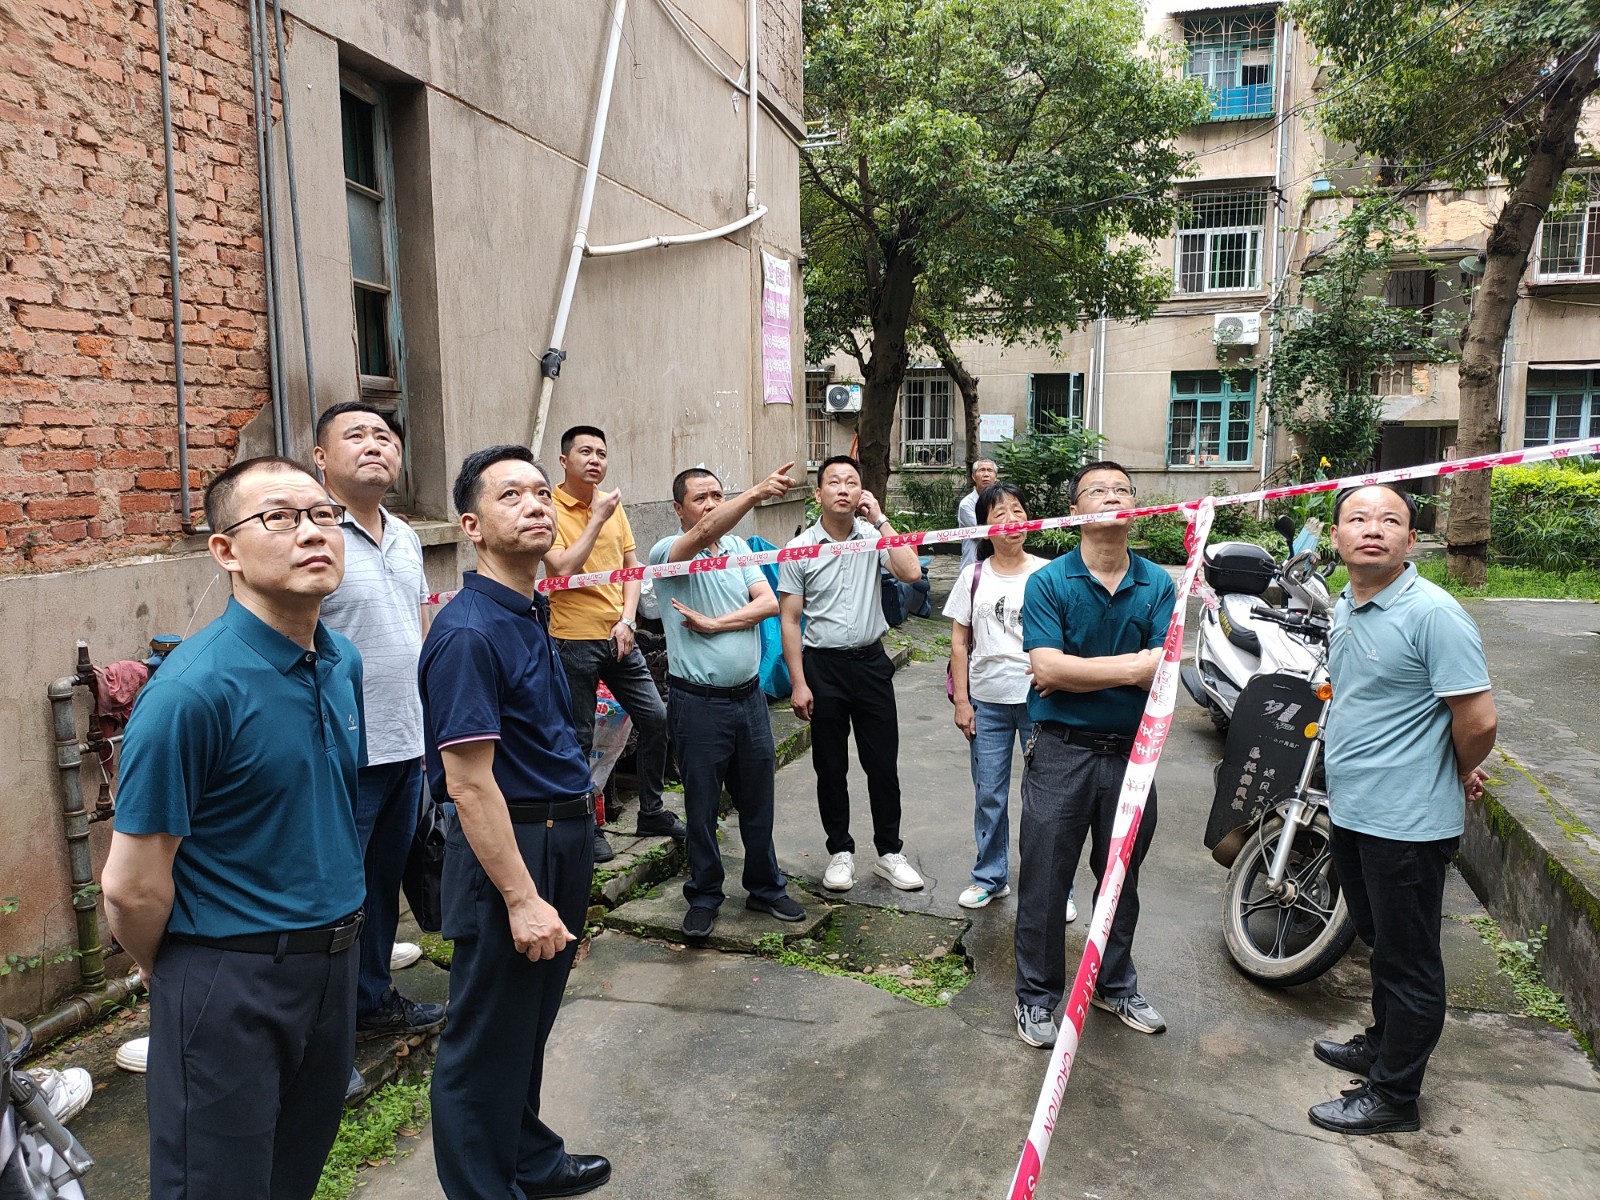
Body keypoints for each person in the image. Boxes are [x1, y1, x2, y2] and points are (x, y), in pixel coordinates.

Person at [103, 456, 366, 1200]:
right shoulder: (190, 694)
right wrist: (179, 971)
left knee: (293, 1175)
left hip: (333, 966)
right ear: (225, 551)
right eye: (280, 517)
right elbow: (130, 886)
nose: (312, 533)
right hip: (230, 977)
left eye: (324, 516)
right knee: (215, 1186)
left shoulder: (340, 662)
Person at [419, 446, 610, 1199]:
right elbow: (468, 786)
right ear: (471, 526)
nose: (533, 504)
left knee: (526, 1026)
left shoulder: (530, 608)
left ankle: (529, 1160)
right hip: (512, 844)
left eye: (538, 492)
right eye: (509, 495)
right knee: (484, 1039)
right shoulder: (469, 632)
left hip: (560, 834)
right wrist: (522, 897)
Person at [1307, 483, 1497, 1135]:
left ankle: (1394, 1096)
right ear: (1336, 536)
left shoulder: (1434, 613)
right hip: (1354, 807)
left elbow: (1478, 718)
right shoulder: (1346, 603)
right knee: (1380, 941)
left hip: (1408, 821)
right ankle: (1382, 1044)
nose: (1373, 528)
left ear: (1411, 540)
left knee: (1409, 958)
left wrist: (1459, 765)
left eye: (1390, 520)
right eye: (1358, 518)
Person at [1012, 460, 1175, 1048]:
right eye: (1097, 491)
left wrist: (1078, 672)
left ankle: (1114, 985)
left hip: (1134, 755)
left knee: (1120, 878)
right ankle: (1036, 998)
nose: (1111, 497)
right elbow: (1048, 668)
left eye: (1121, 490)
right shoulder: (1048, 582)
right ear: (1075, 511)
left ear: (1136, 506)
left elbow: (1163, 671)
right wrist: (1133, 668)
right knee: (1045, 878)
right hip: (1062, 751)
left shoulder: (1158, 584)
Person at [312, 401, 446, 1096]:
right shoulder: (311, 534)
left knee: (381, 886)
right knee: (332, 903)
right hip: (342, 753)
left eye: (385, 436)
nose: (375, 445)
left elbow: (414, 633)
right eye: (355, 435)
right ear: (320, 458)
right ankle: (320, 1047)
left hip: (405, 744)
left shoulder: (407, 536)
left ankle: (370, 1001)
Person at [649, 462, 807, 941]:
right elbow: (702, 534)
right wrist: (755, 494)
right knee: (701, 806)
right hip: (698, 704)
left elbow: (768, 604)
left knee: (758, 799)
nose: (711, 505)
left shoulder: (738, 550)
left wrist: (715, 624)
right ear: (678, 509)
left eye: (718, 495)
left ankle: (765, 886)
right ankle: (704, 895)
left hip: (749, 700)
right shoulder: (667, 552)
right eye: (700, 498)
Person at [778, 455, 927, 893]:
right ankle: (840, 851)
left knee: (882, 763)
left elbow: (911, 572)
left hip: (871, 664)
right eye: (834, 482)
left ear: (861, 492)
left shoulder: (873, 538)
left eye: (851, 482)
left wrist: (880, 519)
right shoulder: (800, 548)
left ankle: (889, 852)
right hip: (822, 667)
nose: (843, 489)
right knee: (830, 766)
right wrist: (799, 682)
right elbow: (790, 619)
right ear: (818, 493)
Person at [543, 425, 685, 862]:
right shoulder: (548, 509)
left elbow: (631, 569)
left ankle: (652, 810)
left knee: (656, 718)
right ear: (564, 461)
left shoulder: (611, 506)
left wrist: (627, 620)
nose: (595, 460)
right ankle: (588, 825)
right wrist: (597, 518)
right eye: (585, 452)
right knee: (579, 737)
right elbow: (562, 568)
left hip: (618, 636)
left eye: (601, 453)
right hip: (572, 640)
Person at [944, 482, 1052, 910]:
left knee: (1045, 800)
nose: (1011, 520)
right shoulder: (973, 576)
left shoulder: (1048, 573)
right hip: (986, 703)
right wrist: (962, 701)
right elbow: (958, 642)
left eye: (1017, 510)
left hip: (1039, 700)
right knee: (989, 794)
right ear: (984, 526)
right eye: (999, 513)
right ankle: (990, 877)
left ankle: (1052, 888)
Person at [957, 458, 999, 572]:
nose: (986, 474)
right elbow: (981, 533)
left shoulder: (1000, 501)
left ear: (995, 477)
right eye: (982, 470)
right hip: (974, 563)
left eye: (990, 470)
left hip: (997, 562)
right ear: (973, 476)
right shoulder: (967, 504)